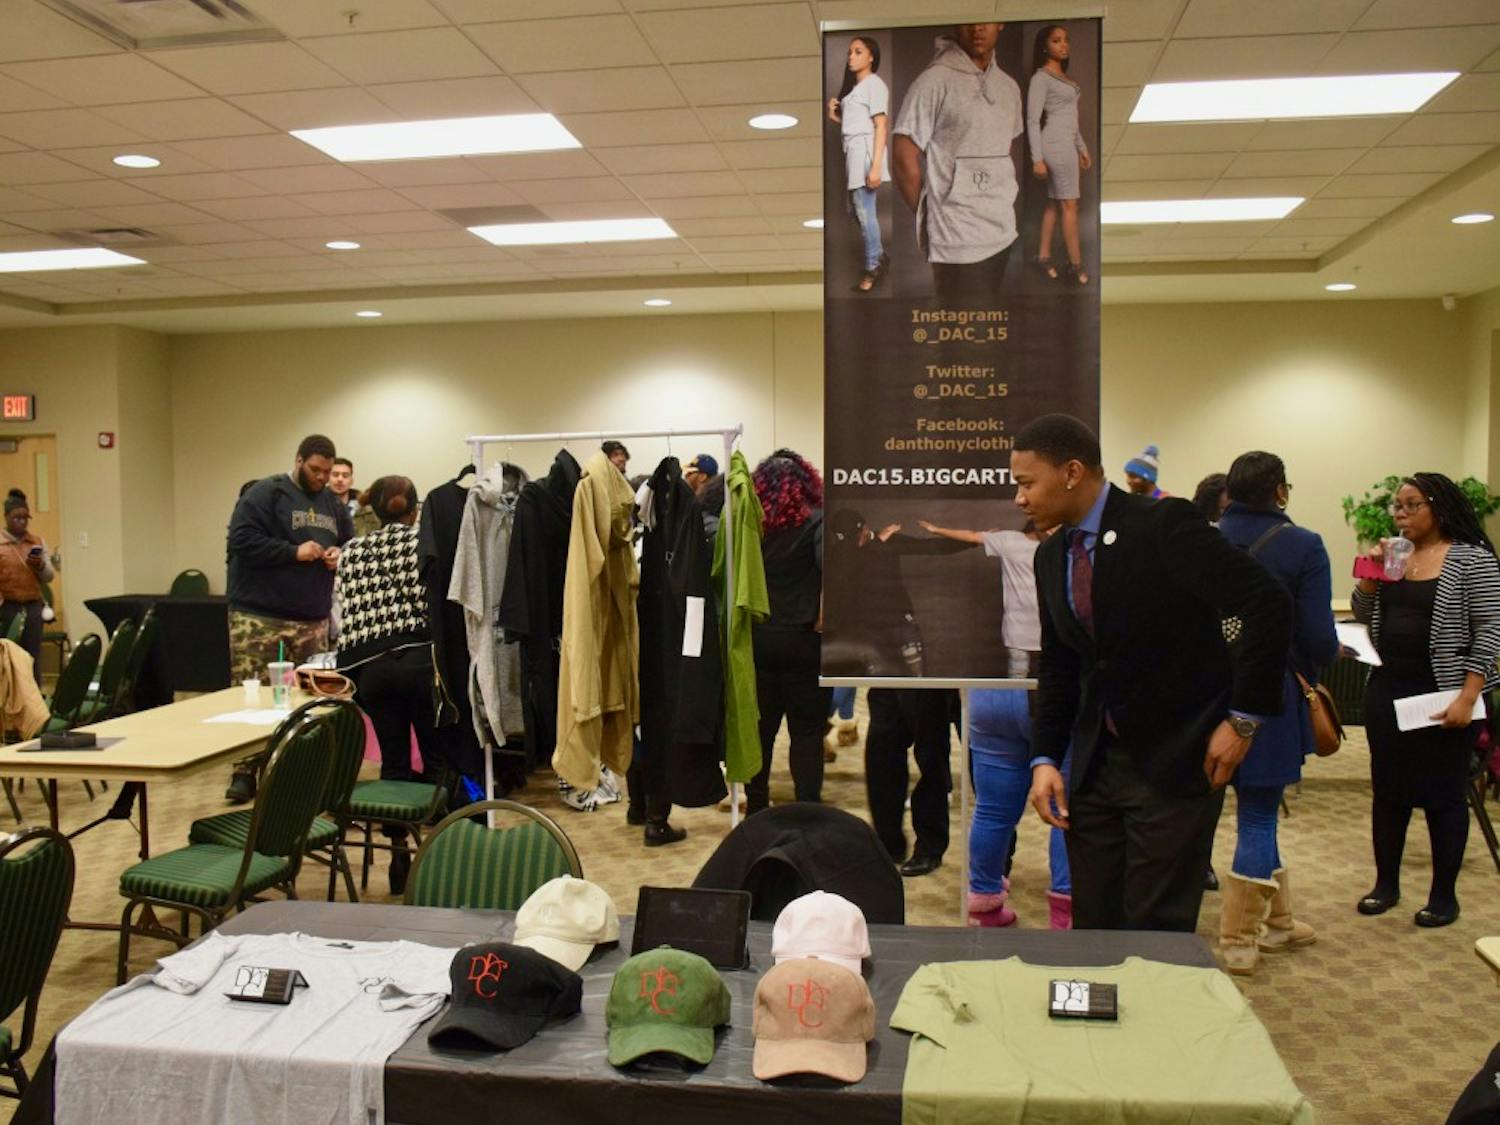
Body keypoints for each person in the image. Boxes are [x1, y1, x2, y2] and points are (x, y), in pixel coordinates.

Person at [1018, 413, 1291, 933]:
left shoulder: (1164, 526)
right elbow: (1060, 662)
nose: (1020, 498)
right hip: (1095, 769)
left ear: (1072, 472)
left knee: (1156, 930)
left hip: (1175, 760)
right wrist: (1045, 756)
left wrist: (1243, 720)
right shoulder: (1052, 554)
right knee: (1095, 922)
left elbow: (1267, 603)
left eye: (1027, 482)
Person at [1353, 472, 1500, 928]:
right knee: (1388, 793)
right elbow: (1364, 614)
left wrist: (1469, 693)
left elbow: (1491, 629)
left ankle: (1443, 896)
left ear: (1439, 506)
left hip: (1446, 694)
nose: (1400, 513)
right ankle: (1386, 885)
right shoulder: (1396, 555)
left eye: (1411, 504)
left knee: (1443, 796)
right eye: (1397, 505)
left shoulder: (1471, 560)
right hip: (1388, 689)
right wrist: (1371, 576)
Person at [1215, 452, 1339, 974]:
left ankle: (1280, 922)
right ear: (1280, 492)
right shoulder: (1303, 545)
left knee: (1225, 812)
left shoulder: (1203, 539)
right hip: (1270, 694)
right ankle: (1240, 938)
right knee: (1260, 813)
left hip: (1202, 693)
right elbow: (1317, 636)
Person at [917, 517, 1071, 925]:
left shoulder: (1010, 542)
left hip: (995, 685)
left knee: (991, 811)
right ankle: (1065, 915)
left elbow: (967, 534)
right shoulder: (1077, 552)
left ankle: (983, 902)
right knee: (1063, 809)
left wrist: (934, 529)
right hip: (1055, 692)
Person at [223, 433, 353, 802]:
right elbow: (242, 542)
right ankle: (246, 771)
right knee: (254, 697)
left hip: (312, 618)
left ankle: (296, 770)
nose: (322, 478)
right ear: (298, 461)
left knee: (306, 700)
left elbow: (347, 543)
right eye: (315, 470)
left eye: (327, 472)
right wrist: (293, 552)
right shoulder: (266, 494)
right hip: (259, 616)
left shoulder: (333, 505)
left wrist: (337, 555)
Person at [335, 475, 442, 895]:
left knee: (394, 766)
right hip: (421, 664)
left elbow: (347, 613)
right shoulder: (423, 541)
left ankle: (399, 858)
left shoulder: (351, 552)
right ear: (415, 508)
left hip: (374, 669)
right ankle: (438, 856)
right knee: (436, 763)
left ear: (374, 512)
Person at [893, 23, 1024, 300]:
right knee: (962, 338)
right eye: (970, 20)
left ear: (1000, 24)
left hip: (1003, 230)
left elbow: (1004, 149)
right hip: (956, 238)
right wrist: (932, 214)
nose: (977, 27)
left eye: (986, 19)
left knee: (996, 336)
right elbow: (903, 156)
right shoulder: (933, 81)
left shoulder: (1009, 87)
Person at [747, 451, 831, 816]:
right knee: (807, 733)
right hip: (804, 641)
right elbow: (831, 570)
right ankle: (808, 809)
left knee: (760, 732)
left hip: (759, 639)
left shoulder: (751, 525)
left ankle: (757, 806)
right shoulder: (817, 522)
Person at [1027, 24, 1092, 284]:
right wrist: (1037, 158)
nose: (1063, 45)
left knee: (1055, 202)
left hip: (1067, 141)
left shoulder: (1065, 79)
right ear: (1045, 46)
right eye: (1056, 41)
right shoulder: (1041, 78)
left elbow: (1071, 119)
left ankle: (1043, 256)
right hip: (1054, 143)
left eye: (1066, 40)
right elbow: (1032, 120)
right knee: (1070, 204)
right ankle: (1076, 265)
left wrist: (1082, 147)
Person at [828, 35, 890, 293]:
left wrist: (875, 166)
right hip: (853, 152)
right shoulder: (856, 90)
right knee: (856, 211)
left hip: (865, 154)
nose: (851, 57)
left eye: (858, 52)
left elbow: (880, 126)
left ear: (871, 56)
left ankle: (873, 265)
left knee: (865, 212)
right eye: (850, 53)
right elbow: (856, 126)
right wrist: (835, 116)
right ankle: (880, 256)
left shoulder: (874, 84)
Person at [0, 490, 54, 667]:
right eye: (17, 517)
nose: (22, 521)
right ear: (6, 517)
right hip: (7, 606)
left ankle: (34, 694)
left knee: (33, 657)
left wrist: (39, 565)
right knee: (11, 658)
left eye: (25, 517)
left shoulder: (36, 541)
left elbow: (49, 577)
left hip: (33, 606)